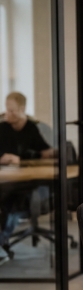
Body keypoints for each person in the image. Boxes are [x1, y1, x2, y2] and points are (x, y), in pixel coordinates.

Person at [0, 92, 53, 263]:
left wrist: (21, 160)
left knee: (12, 200)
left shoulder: (31, 128)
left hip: (28, 181)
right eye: (7, 110)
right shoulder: (2, 128)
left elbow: (46, 154)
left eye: (12, 111)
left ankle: (2, 242)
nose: (7, 115)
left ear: (22, 109)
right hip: (6, 178)